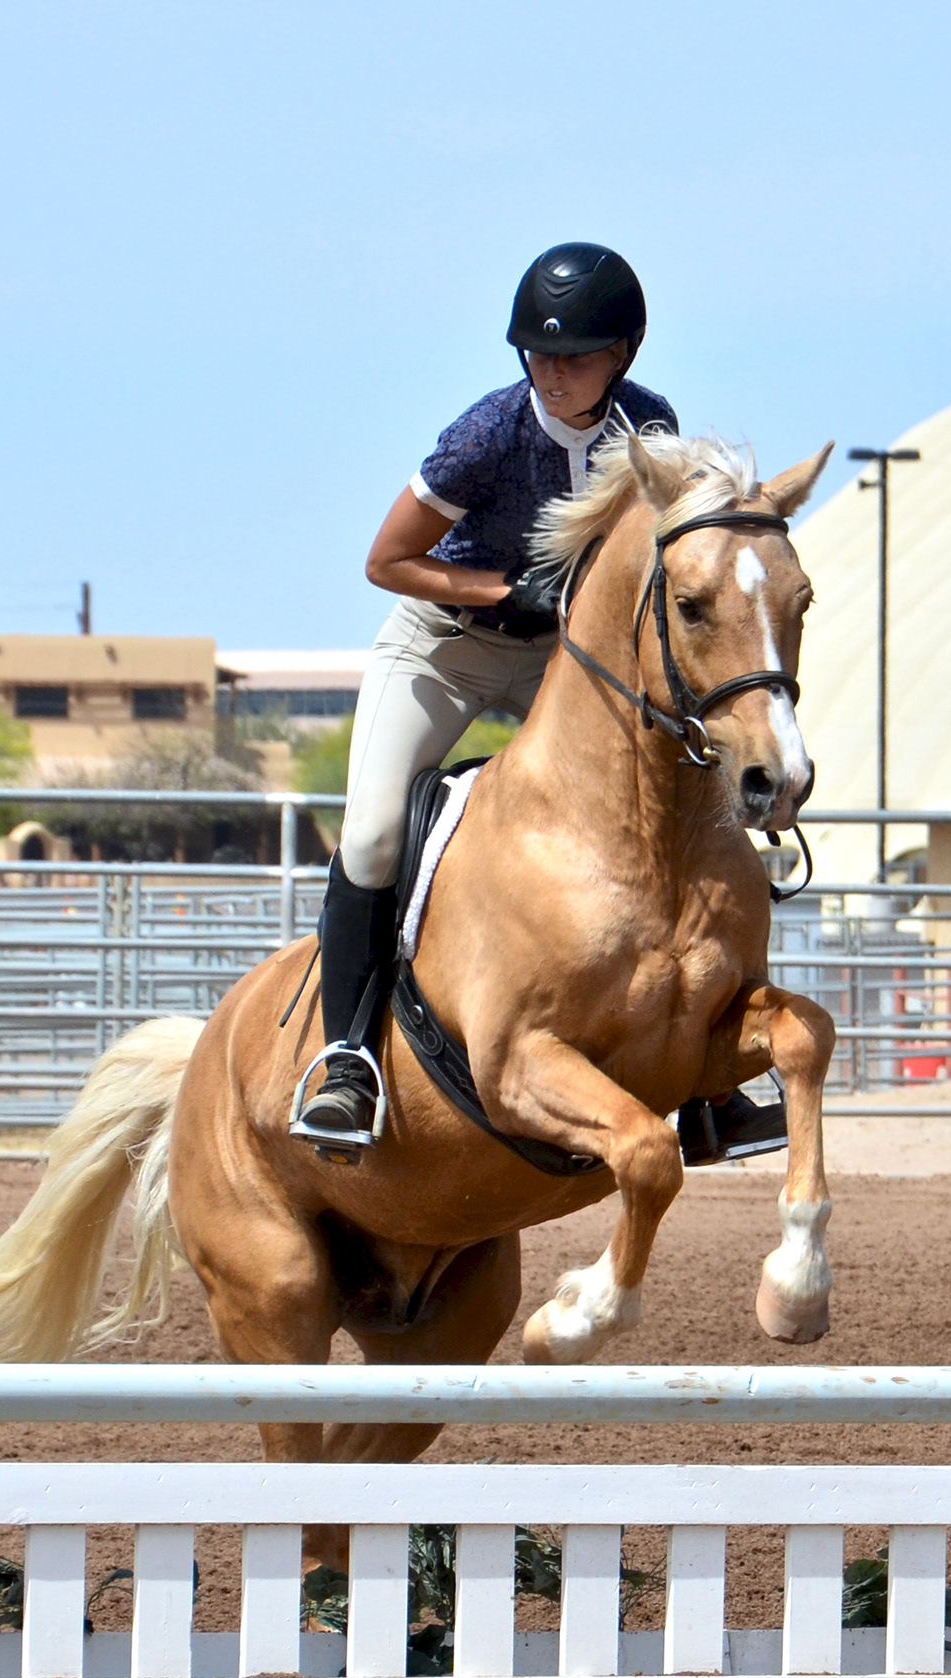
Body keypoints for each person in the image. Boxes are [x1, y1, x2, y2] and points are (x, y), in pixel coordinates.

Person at [290, 243, 676, 1154]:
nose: (552, 372)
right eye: (538, 354)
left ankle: (690, 1064)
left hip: (563, 660)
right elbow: (386, 562)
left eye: (575, 355)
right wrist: (503, 592)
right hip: (446, 646)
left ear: (623, 352)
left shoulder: (651, 429)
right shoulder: (488, 435)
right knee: (378, 830)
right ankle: (346, 1059)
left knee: (663, 803)